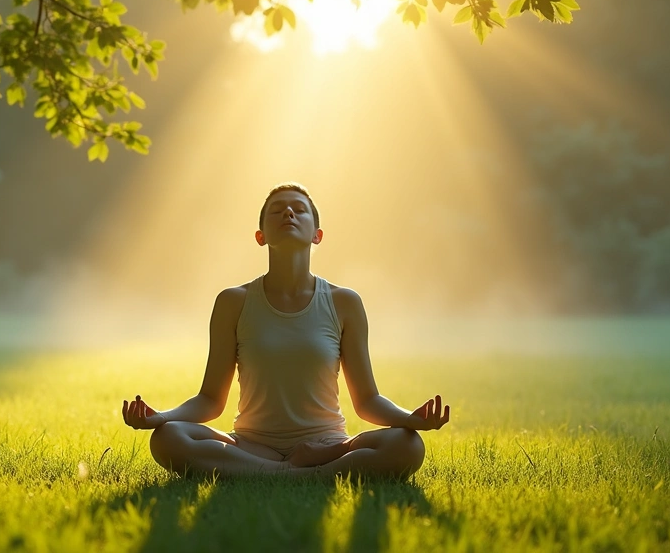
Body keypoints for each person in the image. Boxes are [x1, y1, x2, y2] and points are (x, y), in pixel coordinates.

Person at [121, 183, 451, 477]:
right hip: (251, 445)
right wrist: (159, 417)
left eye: (299, 210)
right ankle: (296, 474)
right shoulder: (233, 302)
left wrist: (412, 419)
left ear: (316, 234)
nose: (289, 213)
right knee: (168, 437)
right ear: (261, 236)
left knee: (407, 445)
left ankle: (275, 473)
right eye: (277, 211)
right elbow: (210, 400)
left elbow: (368, 401)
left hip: (327, 445)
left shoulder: (344, 302)